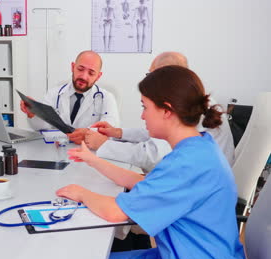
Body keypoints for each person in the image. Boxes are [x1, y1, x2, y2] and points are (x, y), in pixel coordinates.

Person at [57, 66, 246, 259]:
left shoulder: (186, 164)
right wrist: (93, 160)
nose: (142, 116)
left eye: (145, 107)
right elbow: (142, 182)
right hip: (189, 253)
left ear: (166, 110)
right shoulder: (198, 146)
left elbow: (114, 212)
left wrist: (80, 193)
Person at [85, 52, 235, 172]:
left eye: (152, 75)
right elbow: (157, 135)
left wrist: (104, 145)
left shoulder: (183, 107)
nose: (150, 81)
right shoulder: (191, 101)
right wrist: (118, 133)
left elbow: (152, 155)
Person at [20, 50, 120, 144]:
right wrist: (33, 113)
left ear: (98, 76)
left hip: (89, 153)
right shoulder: (53, 94)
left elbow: (110, 128)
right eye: (80, 69)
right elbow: (42, 127)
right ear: (72, 67)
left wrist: (88, 133)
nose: (84, 76)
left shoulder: (107, 98)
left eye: (91, 73)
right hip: (58, 150)